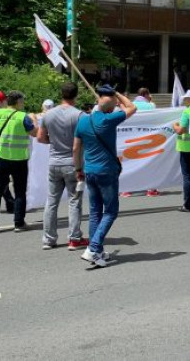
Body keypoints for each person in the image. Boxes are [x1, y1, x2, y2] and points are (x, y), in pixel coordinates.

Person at [74, 85, 137, 267]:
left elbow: (76, 148)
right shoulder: (109, 119)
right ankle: (93, 248)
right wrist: (116, 93)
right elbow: (132, 107)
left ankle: (98, 251)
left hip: (89, 170)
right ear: (111, 105)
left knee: (95, 212)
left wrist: (78, 169)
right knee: (110, 211)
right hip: (107, 171)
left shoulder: (83, 120)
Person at [37, 81, 88, 251]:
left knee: (51, 200)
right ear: (76, 95)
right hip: (72, 163)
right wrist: (80, 168)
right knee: (74, 201)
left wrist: (55, 142)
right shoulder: (80, 115)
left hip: (54, 161)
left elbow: (40, 138)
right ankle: (74, 238)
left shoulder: (48, 115)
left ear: (61, 94)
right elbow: (82, 143)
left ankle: (48, 239)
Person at [0, 91, 39, 233]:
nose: (23, 104)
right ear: (17, 102)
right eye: (22, 101)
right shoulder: (23, 117)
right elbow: (35, 133)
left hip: (1, 156)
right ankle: (19, 223)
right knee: (20, 191)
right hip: (19, 159)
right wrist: (34, 120)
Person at [128, 87, 160, 198]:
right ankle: (151, 189)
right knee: (150, 162)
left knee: (130, 163)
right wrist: (150, 102)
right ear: (146, 95)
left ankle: (126, 190)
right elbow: (156, 118)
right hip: (147, 137)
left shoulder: (130, 105)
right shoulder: (151, 105)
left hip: (132, 138)